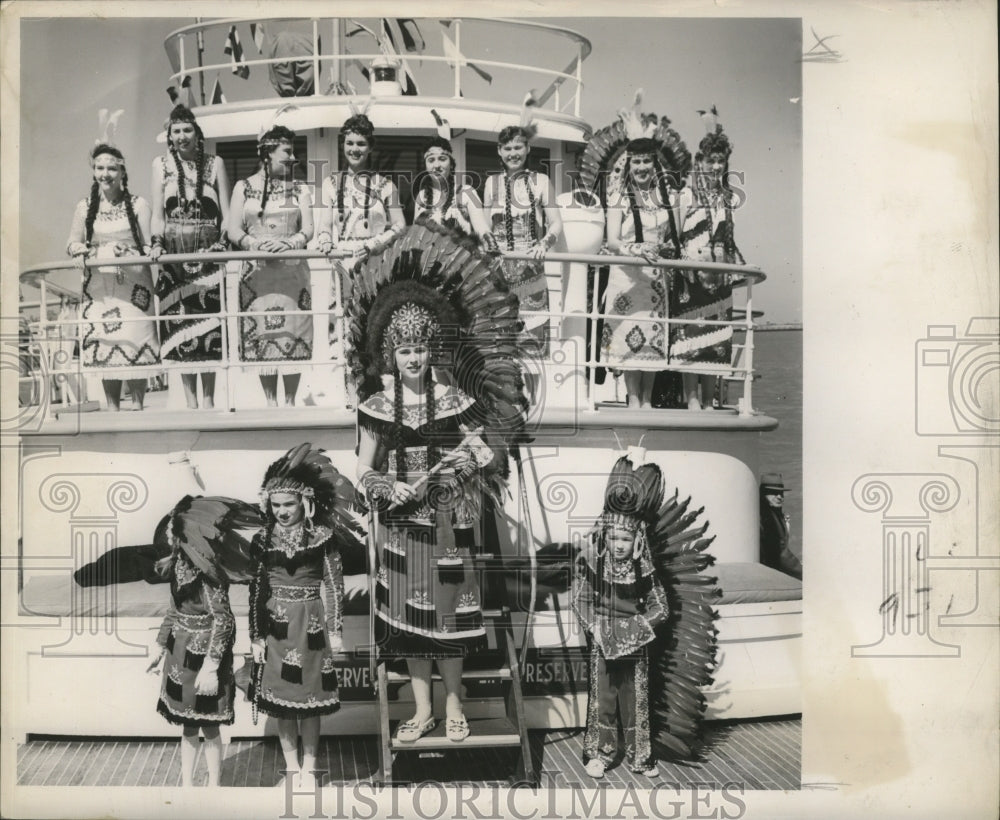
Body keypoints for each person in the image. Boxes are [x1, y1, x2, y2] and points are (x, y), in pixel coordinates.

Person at [347, 223, 526, 745]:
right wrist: (387, 487)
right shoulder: (376, 408)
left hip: (449, 525)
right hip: (401, 529)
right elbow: (363, 467)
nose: (413, 359)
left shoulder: (455, 401)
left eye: (420, 349)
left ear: (431, 351)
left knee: (448, 623)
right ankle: (421, 709)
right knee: (411, 627)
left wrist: (459, 466)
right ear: (390, 354)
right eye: (403, 351)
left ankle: (454, 708)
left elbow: (485, 450)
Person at [248, 444, 353, 790]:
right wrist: (255, 636)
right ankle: (291, 770)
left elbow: (335, 588)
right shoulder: (262, 539)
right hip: (276, 626)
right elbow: (257, 590)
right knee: (281, 705)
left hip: (311, 625)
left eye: (288, 504)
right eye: (275, 505)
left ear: (304, 502)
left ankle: (310, 768)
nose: (281, 512)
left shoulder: (323, 538)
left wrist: (335, 632)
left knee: (310, 701)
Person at [572, 456, 670, 778]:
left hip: (635, 642)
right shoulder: (595, 563)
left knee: (635, 700)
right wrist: (596, 628)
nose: (619, 545)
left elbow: (661, 608)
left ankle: (640, 757)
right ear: (606, 537)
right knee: (603, 699)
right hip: (603, 640)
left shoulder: (645, 570)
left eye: (626, 539)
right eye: (614, 538)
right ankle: (599, 754)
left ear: (638, 539)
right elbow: (579, 599)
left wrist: (638, 627)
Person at [146, 498, 239, 787]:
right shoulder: (177, 566)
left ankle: (214, 784)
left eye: (173, 532)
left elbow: (223, 621)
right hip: (179, 652)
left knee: (210, 726)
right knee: (187, 724)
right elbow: (173, 611)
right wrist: (160, 646)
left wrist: (211, 667)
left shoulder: (209, 573)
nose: (169, 537)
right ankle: (186, 782)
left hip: (206, 655)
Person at [149, 104, 231, 409]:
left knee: (209, 329)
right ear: (169, 136)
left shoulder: (215, 164)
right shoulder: (160, 165)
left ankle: (209, 402)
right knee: (181, 331)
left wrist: (222, 245)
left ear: (197, 134)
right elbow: (158, 214)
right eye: (176, 131)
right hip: (175, 261)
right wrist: (156, 243)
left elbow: (225, 214)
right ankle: (191, 403)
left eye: (187, 130)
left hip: (208, 258)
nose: (182, 136)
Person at [66, 142, 158, 410]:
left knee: (135, 342)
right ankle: (113, 411)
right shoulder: (85, 207)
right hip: (100, 290)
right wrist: (80, 249)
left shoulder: (139, 204)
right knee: (108, 346)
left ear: (122, 171)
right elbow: (72, 241)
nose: (105, 174)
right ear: (93, 172)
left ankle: (139, 408)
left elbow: (150, 243)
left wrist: (129, 250)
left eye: (111, 168)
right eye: (99, 168)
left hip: (135, 287)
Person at [228, 122, 314, 407]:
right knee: (264, 333)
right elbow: (233, 230)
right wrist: (254, 244)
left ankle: (289, 402)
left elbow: (308, 230)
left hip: (292, 273)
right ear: (267, 153)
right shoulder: (244, 187)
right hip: (257, 274)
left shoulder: (300, 188)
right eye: (286, 152)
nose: (292, 158)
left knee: (292, 333)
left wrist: (290, 243)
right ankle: (270, 403)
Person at [671, 113, 745, 410]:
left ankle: (709, 400)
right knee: (692, 340)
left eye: (721, 161)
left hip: (719, 282)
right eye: (711, 160)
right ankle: (691, 401)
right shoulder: (686, 195)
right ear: (700, 162)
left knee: (716, 341)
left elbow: (728, 240)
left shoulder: (727, 199)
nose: (716, 166)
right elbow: (675, 238)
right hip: (692, 280)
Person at [603, 140, 682, 408]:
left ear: (655, 164)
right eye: (636, 162)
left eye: (647, 161)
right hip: (626, 277)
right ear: (629, 164)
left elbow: (672, 237)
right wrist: (636, 248)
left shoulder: (666, 199)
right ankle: (633, 400)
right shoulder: (619, 196)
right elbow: (612, 241)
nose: (642, 167)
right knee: (628, 338)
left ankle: (647, 400)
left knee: (650, 338)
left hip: (654, 279)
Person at [484, 120, 563, 365]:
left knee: (530, 342)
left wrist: (544, 244)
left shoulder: (541, 181)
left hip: (530, 270)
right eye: (507, 148)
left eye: (518, 147)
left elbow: (556, 223)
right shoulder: (491, 183)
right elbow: (485, 227)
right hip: (498, 271)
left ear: (528, 149)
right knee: (499, 341)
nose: (513, 153)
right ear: (499, 151)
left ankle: (531, 400)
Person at [316, 110, 406, 278]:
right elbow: (324, 225)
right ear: (343, 145)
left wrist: (373, 245)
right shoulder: (330, 184)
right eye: (349, 143)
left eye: (361, 144)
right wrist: (325, 240)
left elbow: (400, 226)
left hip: (375, 261)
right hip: (341, 262)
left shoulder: (386, 185)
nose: (354, 149)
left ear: (370, 147)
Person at [412, 136, 490, 238]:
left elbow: (483, 230)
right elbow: (415, 237)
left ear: (451, 164)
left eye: (442, 159)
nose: (436, 165)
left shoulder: (467, 193)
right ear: (426, 167)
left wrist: (491, 246)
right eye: (431, 160)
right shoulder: (421, 197)